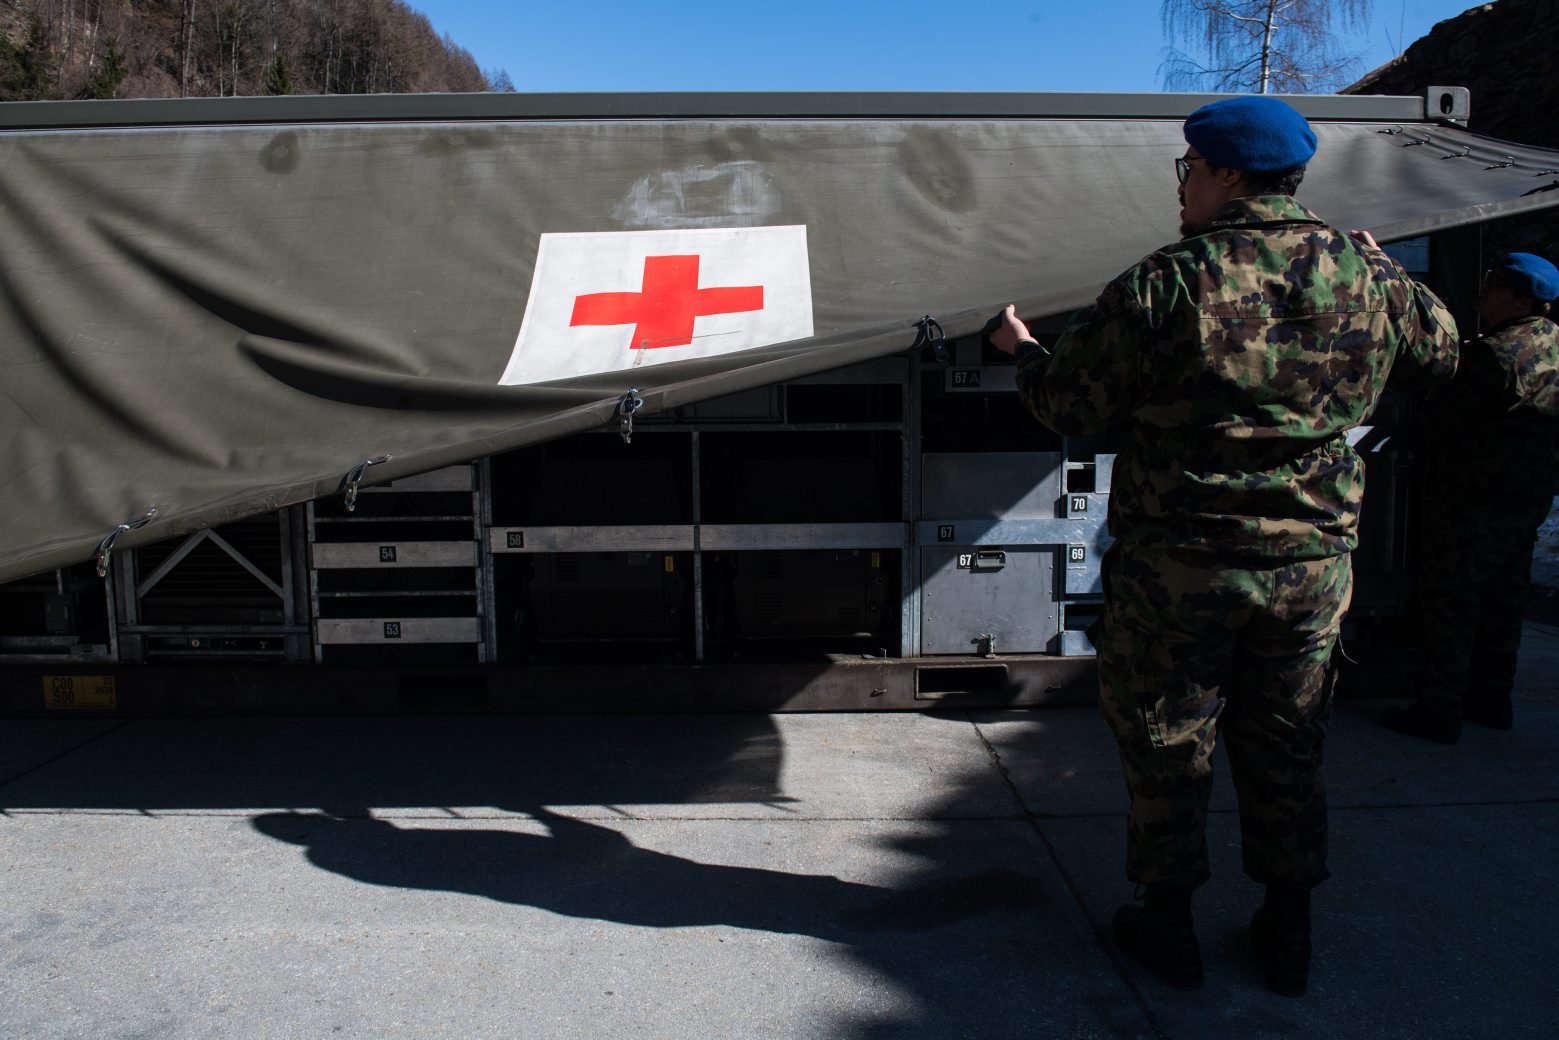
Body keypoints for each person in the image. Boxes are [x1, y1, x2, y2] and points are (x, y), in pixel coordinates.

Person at [988, 96, 1460, 996]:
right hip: (1309, 568)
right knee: (1287, 739)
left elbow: (1068, 406)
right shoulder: (1364, 276)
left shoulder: (1169, 280)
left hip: (1182, 566)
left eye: (1190, 172)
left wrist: (1022, 349)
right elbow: (1438, 358)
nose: (1184, 190)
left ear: (1226, 175)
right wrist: (1381, 265)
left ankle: (1166, 924)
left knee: (1168, 737)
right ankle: (1289, 926)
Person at [1383, 252, 1559, 743]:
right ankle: (1492, 698)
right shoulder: (1553, 345)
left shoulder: (1493, 354)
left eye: (1496, 284)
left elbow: (1441, 418)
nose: (1485, 290)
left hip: (1471, 498)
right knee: (1505, 598)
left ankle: (1440, 707)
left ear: (1522, 300)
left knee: (1452, 602)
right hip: (1525, 498)